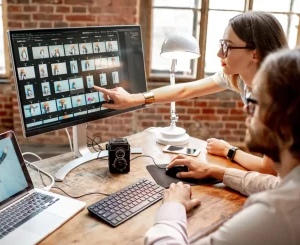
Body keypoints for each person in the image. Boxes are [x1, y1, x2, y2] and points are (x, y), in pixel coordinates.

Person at [94, 11, 288, 175]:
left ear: (255, 53)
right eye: (222, 44)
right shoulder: (238, 78)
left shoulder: (278, 96)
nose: (219, 54)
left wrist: (229, 151)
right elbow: (185, 89)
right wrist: (134, 99)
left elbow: (268, 169)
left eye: (227, 46)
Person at [145, 47, 300, 245]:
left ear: (285, 122)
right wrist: (215, 171)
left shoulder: (278, 213)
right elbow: (272, 184)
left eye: (256, 101)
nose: (246, 108)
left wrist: (172, 208)